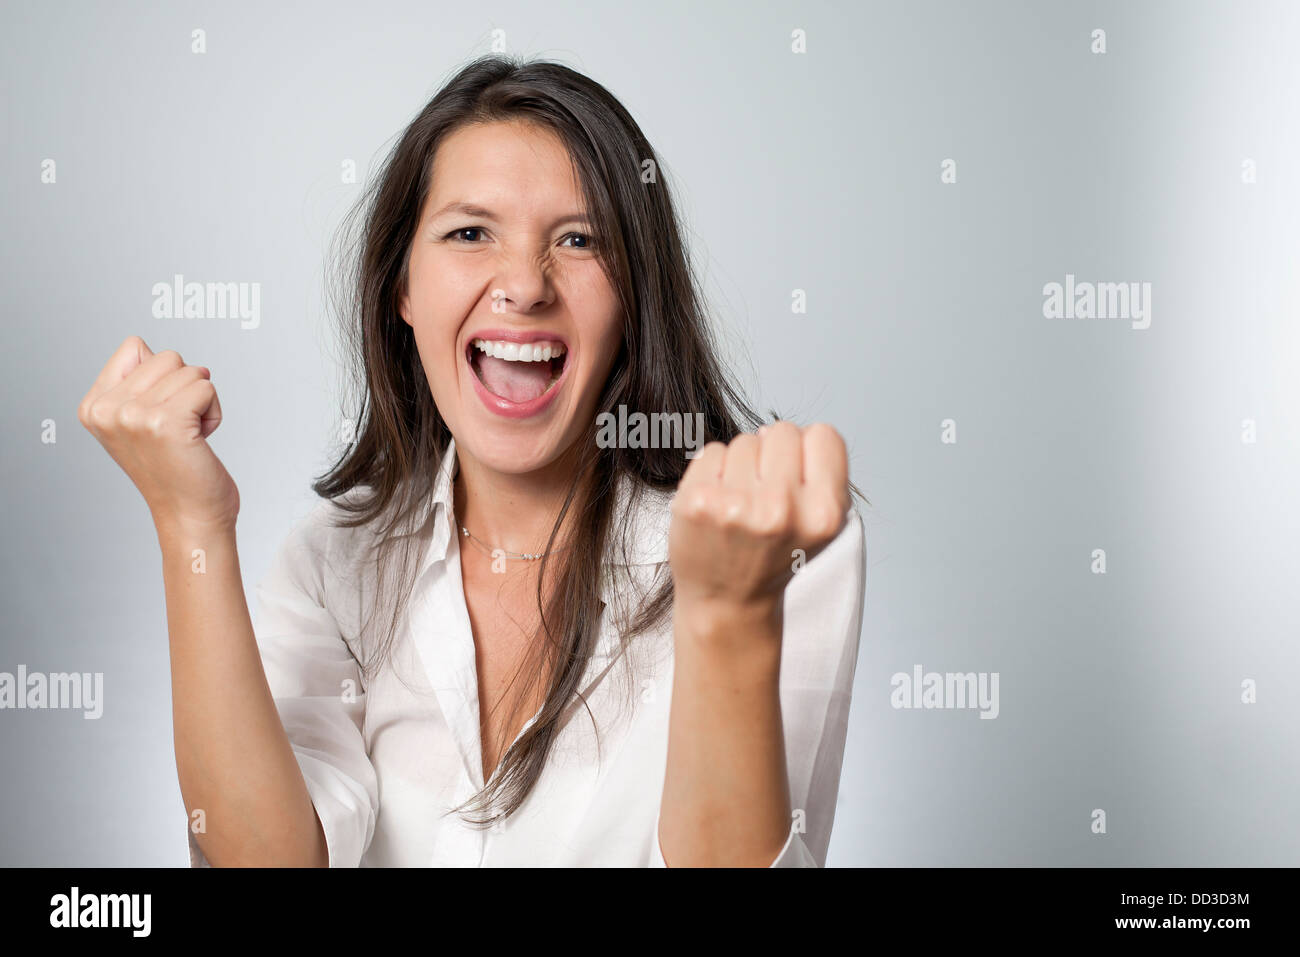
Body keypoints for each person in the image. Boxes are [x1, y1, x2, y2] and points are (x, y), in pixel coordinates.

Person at [77, 55, 867, 867]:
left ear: (635, 294)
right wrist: (188, 523)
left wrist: (727, 612)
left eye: (579, 238)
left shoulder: (779, 545)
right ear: (403, 289)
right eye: (469, 232)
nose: (524, 285)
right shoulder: (332, 562)